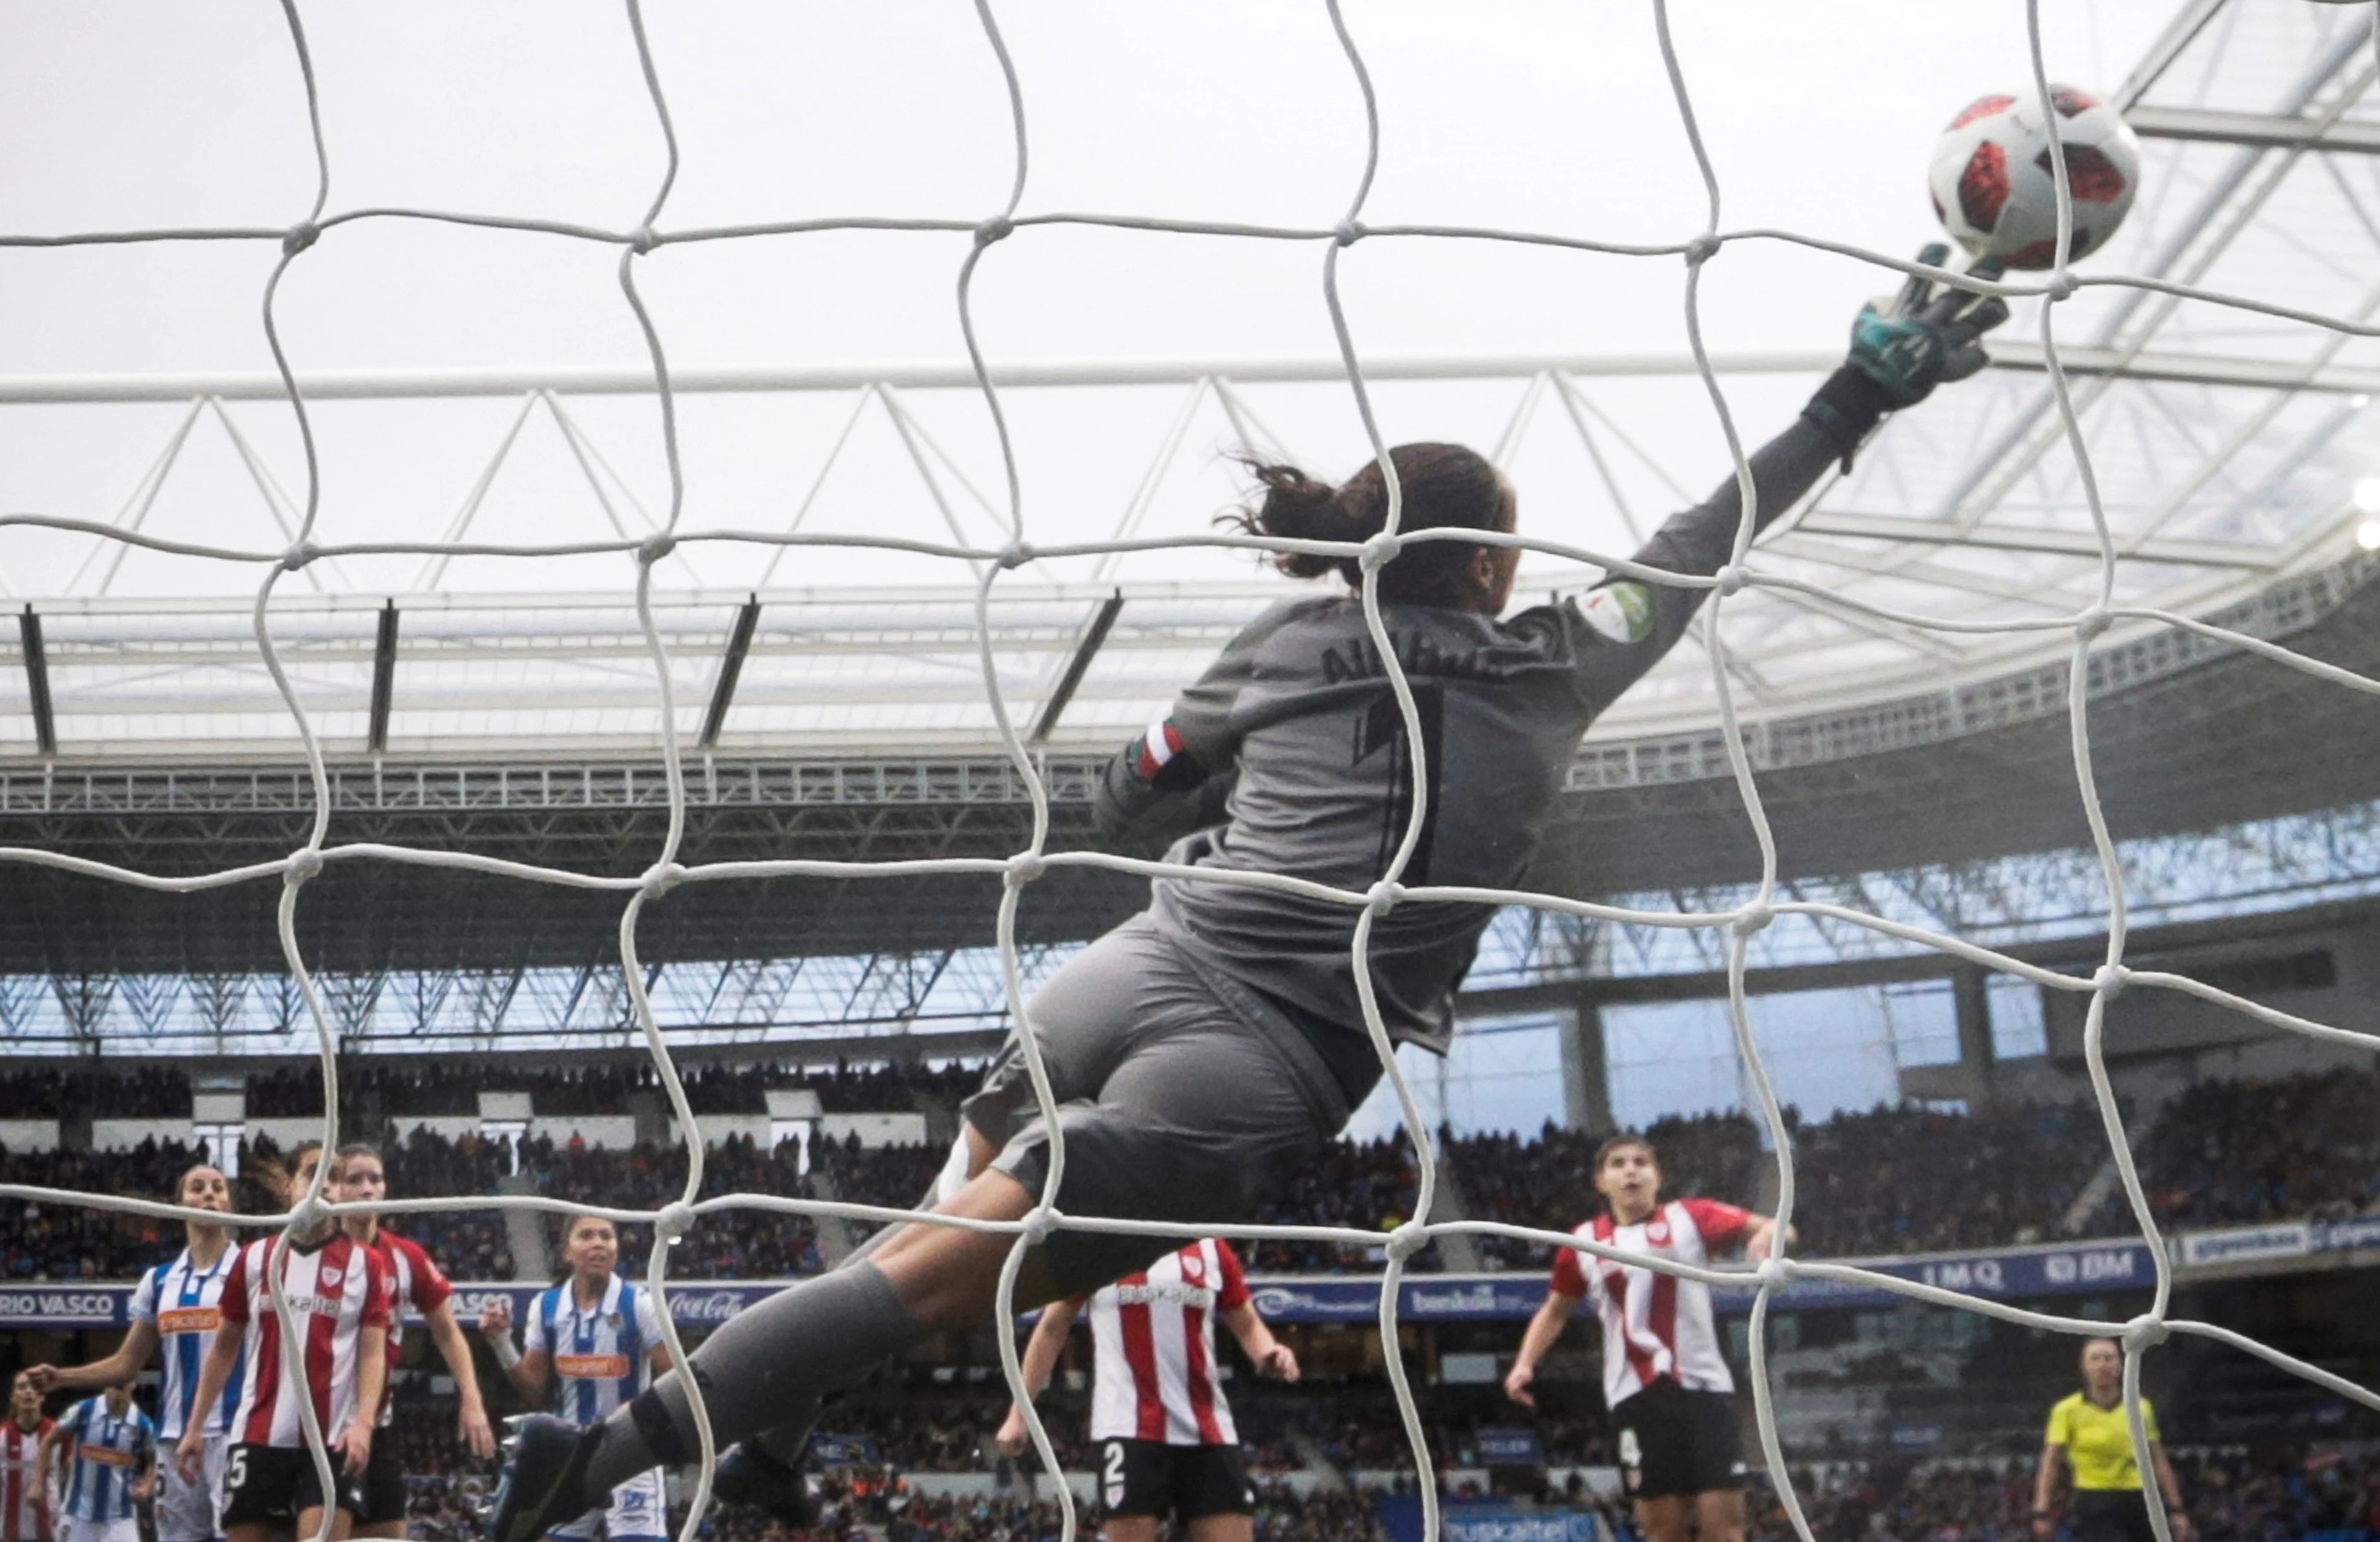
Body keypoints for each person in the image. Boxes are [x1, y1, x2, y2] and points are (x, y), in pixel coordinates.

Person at [488, 250, 2010, 1542]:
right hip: (1256, 1053)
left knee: (924, 1230)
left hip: (1125, 970)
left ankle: (769, 1433)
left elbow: (1133, 789)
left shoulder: (1285, 648)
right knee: (942, 1277)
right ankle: (596, 1461)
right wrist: (1855, 394)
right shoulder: (1561, 655)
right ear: (1490, 564)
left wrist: (1215, 782)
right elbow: (1709, 534)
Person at [1503, 1135, 1785, 1542]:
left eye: (1641, 1162)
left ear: (1658, 1178)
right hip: (1635, 1396)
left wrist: (1765, 1236)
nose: (1631, 1170)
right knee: (1662, 1532)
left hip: (1704, 1387)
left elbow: (1779, 1226)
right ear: (1601, 1182)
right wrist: (1524, 1364)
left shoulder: (1690, 1218)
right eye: (1618, 1163)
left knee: (1724, 1530)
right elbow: (1555, 1310)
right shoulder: (1582, 1244)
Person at [993, 1238, 1297, 1542]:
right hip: (1127, 1426)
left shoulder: (1212, 1249)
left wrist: (1270, 1353)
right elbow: (1051, 1328)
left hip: (1208, 1427)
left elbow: (1246, 1323)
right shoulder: (1098, 1244)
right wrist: (1019, 1415)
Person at [174, 1146, 396, 1542]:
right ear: (288, 1185)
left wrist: (363, 1424)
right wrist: (194, 1427)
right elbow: (224, 1349)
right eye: (315, 1173)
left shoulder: (367, 1265)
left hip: (331, 1442)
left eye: (336, 1176)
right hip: (258, 1437)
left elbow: (372, 1352)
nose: (326, 1185)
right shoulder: (255, 1258)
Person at [285, 1141, 498, 1539]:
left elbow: (448, 1331)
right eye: (354, 1180)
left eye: (375, 1179)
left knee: (388, 1534)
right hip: (310, 1425)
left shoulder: (406, 1257)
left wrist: (472, 1399)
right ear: (334, 1187)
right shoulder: (304, 1254)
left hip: (374, 1423)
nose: (367, 1189)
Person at [29, 1163, 243, 1542]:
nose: (209, 1194)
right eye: (197, 1187)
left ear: (229, 1204)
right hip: (172, 1438)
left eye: (218, 1188)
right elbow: (127, 1363)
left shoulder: (252, 1268)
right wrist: (63, 1377)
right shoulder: (159, 1280)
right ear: (179, 1205)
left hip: (233, 1433)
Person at [475, 1214, 678, 1542]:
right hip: (570, 1457)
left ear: (617, 1249)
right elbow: (533, 1391)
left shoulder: (640, 1303)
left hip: (632, 1453)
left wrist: (643, 1415)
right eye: (587, 1236)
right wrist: (501, 1343)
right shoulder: (547, 1306)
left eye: (606, 1236)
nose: (598, 1243)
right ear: (566, 1252)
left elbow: (674, 1378)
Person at [2031, 1339, 2190, 1542]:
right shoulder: (2066, 1410)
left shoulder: (2141, 1408)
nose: (2102, 1365)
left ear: (2121, 1364)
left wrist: (2177, 1508)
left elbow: (2157, 1459)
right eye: (2095, 1359)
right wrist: (2041, 1510)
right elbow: (2051, 1462)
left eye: (2109, 1358)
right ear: (2084, 1366)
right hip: (2093, 1501)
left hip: (2140, 1500)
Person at [48, 1381, 157, 1542]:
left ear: (133, 1384)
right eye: (114, 1380)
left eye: (123, 1381)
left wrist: (147, 1486)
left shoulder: (143, 1424)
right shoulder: (83, 1410)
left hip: (121, 1517)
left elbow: (155, 1459)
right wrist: (39, 1480)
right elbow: (48, 1441)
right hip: (77, 1514)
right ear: (105, 1384)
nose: (118, 1385)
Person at [0, 1375, 59, 1542]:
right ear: (13, 1397)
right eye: (22, 1387)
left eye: (34, 1388)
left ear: (43, 1396)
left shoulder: (58, 1433)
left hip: (51, 1533)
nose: (29, 1392)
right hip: (9, 1534)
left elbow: (72, 1474)